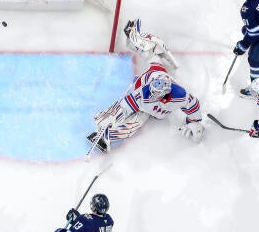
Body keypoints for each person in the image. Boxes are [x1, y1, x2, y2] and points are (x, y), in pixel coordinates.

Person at [86, 20, 205, 152]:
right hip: (139, 96)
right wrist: (113, 117)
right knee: (132, 125)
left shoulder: (179, 94)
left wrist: (194, 123)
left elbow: (193, 105)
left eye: (156, 93)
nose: (152, 93)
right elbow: (125, 106)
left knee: (155, 56)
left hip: (153, 107)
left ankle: (106, 131)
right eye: (152, 90)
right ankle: (104, 134)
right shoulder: (143, 93)